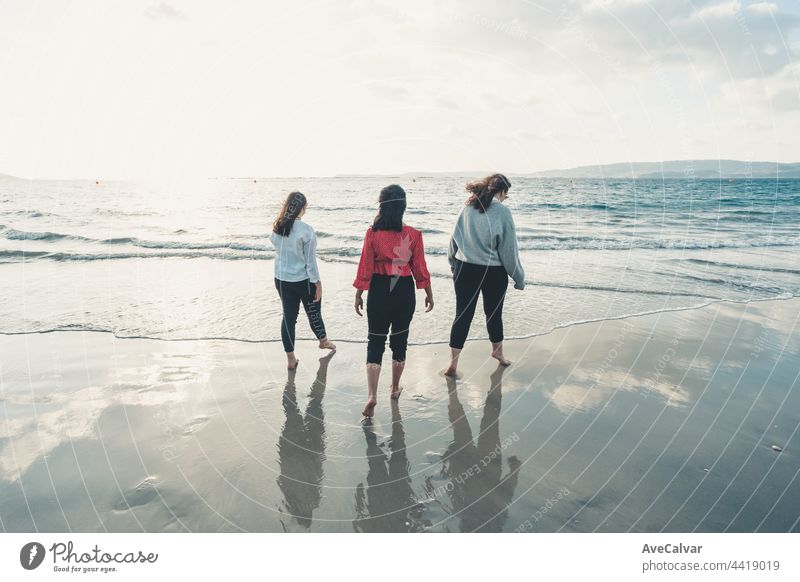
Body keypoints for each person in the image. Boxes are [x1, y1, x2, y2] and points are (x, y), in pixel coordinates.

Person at [353, 184, 434, 417]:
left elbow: (365, 265)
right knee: (400, 340)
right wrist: (428, 291)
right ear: (403, 207)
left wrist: (359, 292)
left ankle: (371, 395)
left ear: (381, 205)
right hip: (403, 291)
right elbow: (419, 268)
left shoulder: (373, 234)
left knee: (375, 341)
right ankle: (395, 388)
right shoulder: (413, 234)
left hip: (378, 290)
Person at [445, 173, 525, 377]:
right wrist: (518, 277)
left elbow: (454, 240)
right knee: (494, 314)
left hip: (465, 268)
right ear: (503, 191)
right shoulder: (503, 212)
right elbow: (509, 250)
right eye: (507, 194)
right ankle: (498, 353)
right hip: (493, 272)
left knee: (462, 315)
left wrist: (454, 266)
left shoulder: (467, 208)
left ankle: (453, 363)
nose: (506, 198)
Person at [270, 191, 336, 370]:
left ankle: (291, 359)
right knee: (313, 311)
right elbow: (310, 262)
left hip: (281, 279)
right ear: (302, 208)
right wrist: (318, 283)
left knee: (288, 318)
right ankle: (323, 341)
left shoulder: (277, 227)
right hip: (302, 280)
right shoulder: (306, 230)